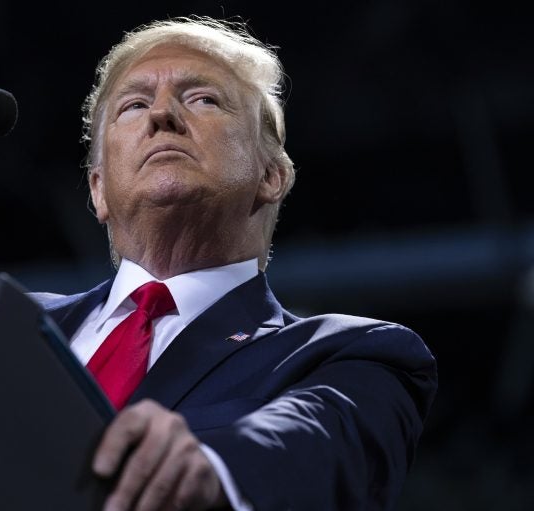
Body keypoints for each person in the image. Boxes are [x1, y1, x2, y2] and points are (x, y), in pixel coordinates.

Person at [33, 16, 437, 511]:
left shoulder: (353, 356)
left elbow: (313, 441)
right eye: (134, 105)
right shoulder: (8, 323)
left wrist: (210, 466)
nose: (162, 114)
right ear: (98, 189)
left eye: (202, 99)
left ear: (271, 176)